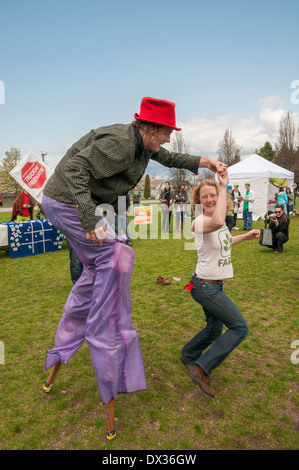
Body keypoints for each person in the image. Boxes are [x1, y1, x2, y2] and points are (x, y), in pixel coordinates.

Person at [41, 96, 227, 427]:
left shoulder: (144, 146)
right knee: (118, 254)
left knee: (99, 266)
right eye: (167, 131)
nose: (168, 138)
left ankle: (82, 321)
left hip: (78, 206)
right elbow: (73, 169)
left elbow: (170, 155)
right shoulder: (121, 144)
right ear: (151, 128)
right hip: (65, 202)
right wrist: (88, 219)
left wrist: (204, 161)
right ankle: (107, 331)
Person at [181, 174, 260, 398]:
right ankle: (201, 368)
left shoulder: (220, 222)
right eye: (204, 196)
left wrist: (244, 237)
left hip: (213, 285)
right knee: (240, 327)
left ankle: (188, 354)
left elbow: (225, 240)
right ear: (199, 200)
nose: (209, 199)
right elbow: (216, 222)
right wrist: (224, 186)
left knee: (215, 329)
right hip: (205, 287)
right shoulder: (200, 221)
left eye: (213, 195)